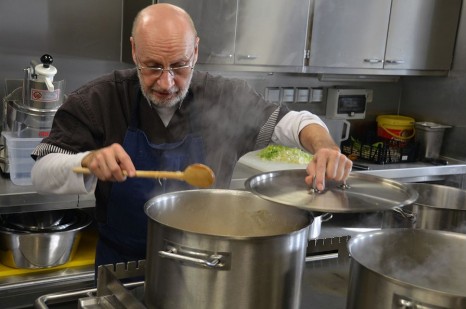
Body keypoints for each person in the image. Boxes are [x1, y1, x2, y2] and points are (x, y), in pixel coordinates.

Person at [31, 3, 352, 272]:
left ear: (196, 50)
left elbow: (294, 122)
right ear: (134, 51)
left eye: (180, 65)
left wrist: (324, 146)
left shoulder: (224, 96)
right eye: (152, 66)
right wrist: (86, 161)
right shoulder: (99, 100)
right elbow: (42, 173)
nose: (167, 82)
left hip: (208, 266)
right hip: (123, 268)